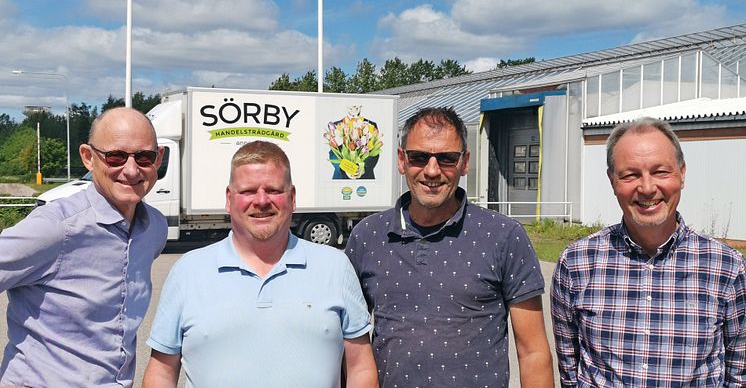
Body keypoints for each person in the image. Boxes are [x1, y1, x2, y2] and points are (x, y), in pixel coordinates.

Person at [345, 107, 554, 387]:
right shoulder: (367, 237)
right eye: (419, 157)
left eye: (446, 158)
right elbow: (349, 345)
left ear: (465, 162)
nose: (432, 171)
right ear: (401, 160)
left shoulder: (504, 236)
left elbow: (533, 352)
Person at [142, 140, 377, 388]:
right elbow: (161, 373)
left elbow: (360, 367)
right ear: (229, 199)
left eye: (274, 190)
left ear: (293, 197)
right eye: (248, 191)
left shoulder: (335, 267)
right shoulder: (187, 271)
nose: (262, 200)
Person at [551, 117, 746, 386]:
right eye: (630, 175)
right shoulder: (576, 264)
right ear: (612, 180)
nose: (646, 187)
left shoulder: (727, 268)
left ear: (682, 173)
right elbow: (570, 373)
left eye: (660, 172)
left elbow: (739, 375)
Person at [0, 107, 168, 387]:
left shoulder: (155, 228)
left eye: (144, 157)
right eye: (115, 157)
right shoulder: (56, 226)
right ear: (88, 158)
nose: (131, 170)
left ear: (158, 159)